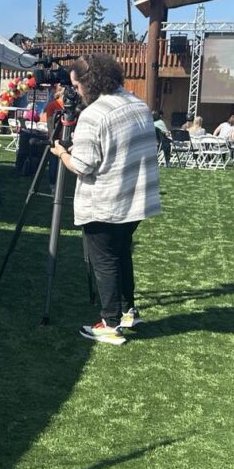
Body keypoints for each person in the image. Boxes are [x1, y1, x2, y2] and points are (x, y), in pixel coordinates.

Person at [50, 55, 161, 346]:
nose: (76, 92)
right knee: (121, 254)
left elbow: (83, 166)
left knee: (105, 261)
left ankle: (110, 323)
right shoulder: (136, 104)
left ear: (88, 82)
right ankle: (127, 310)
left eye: (76, 86)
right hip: (135, 199)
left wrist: (62, 153)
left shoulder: (94, 114)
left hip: (106, 202)